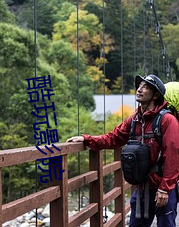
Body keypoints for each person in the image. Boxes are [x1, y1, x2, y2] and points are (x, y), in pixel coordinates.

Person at [66, 74, 179, 227]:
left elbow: (173, 155)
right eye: (139, 86)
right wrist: (86, 139)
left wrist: (165, 189)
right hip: (142, 188)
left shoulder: (167, 120)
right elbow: (113, 138)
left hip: (162, 188)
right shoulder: (134, 120)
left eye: (145, 87)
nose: (139, 89)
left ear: (156, 95)